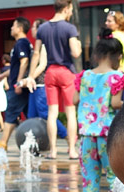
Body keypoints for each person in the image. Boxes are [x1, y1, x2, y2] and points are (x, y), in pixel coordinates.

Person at [75, 35, 124, 192]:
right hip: (108, 133)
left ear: (97, 55)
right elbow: (114, 103)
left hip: (87, 135)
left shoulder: (84, 76)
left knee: (89, 173)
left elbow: (74, 100)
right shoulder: (117, 77)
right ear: (117, 56)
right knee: (115, 173)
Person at [28, 0, 82, 159]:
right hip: (66, 72)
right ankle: (72, 150)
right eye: (71, 9)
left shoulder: (42, 28)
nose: (71, 12)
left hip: (50, 72)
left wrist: (31, 76)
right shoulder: (69, 28)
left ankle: (53, 151)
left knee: (52, 113)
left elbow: (36, 54)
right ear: (66, 8)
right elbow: (76, 53)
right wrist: (78, 44)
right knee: (70, 112)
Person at [0, 18, 32, 150]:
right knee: (30, 115)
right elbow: (15, 66)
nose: (11, 28)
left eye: (13, 26)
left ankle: (3, 143)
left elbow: (24, 62)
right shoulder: (20, 43)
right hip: (19, 85)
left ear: (19, 28)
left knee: (11, 113)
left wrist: (18, 83)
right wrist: (2, 75)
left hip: (18, 87)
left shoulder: (22, 43)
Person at [24, 18, 69, 147]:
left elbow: (43, 65)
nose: (31, 30)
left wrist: (30, 77)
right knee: (31, 116)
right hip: (34, 85)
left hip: (42, 85)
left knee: (45, 114)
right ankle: (32, 145)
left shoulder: (44, 44)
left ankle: (67, 136)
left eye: (34, 27)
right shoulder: (38, 45)